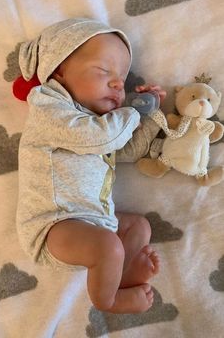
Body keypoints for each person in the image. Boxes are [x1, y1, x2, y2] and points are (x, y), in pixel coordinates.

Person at [16, 18, 166, 314]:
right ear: (59, 69)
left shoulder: (97, 124)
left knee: (138, 226)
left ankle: (120, 274)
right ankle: (107, 300)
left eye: (122, 81)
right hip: (54, 225)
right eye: (103, 71)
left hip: (94, 221)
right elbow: (100, 138)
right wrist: (133, 111)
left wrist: (148, 116)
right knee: (108, 247)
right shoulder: (49, 106)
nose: (117, 84)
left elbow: (128, 149)